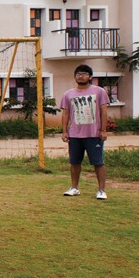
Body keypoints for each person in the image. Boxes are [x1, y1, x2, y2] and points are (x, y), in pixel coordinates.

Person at [59, 63, 110, 199]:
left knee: (98, 162)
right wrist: (64, 131)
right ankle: (74, 187)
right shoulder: (68, 94)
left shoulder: (99, 91)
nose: (80, 77)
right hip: (75, 134)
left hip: (93, 134)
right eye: (78, 74)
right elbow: (65, 113)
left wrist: (103, 130)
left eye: (84, 74)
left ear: (90, 76)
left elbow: (103, 111)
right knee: (75, 162)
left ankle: (101, 190)